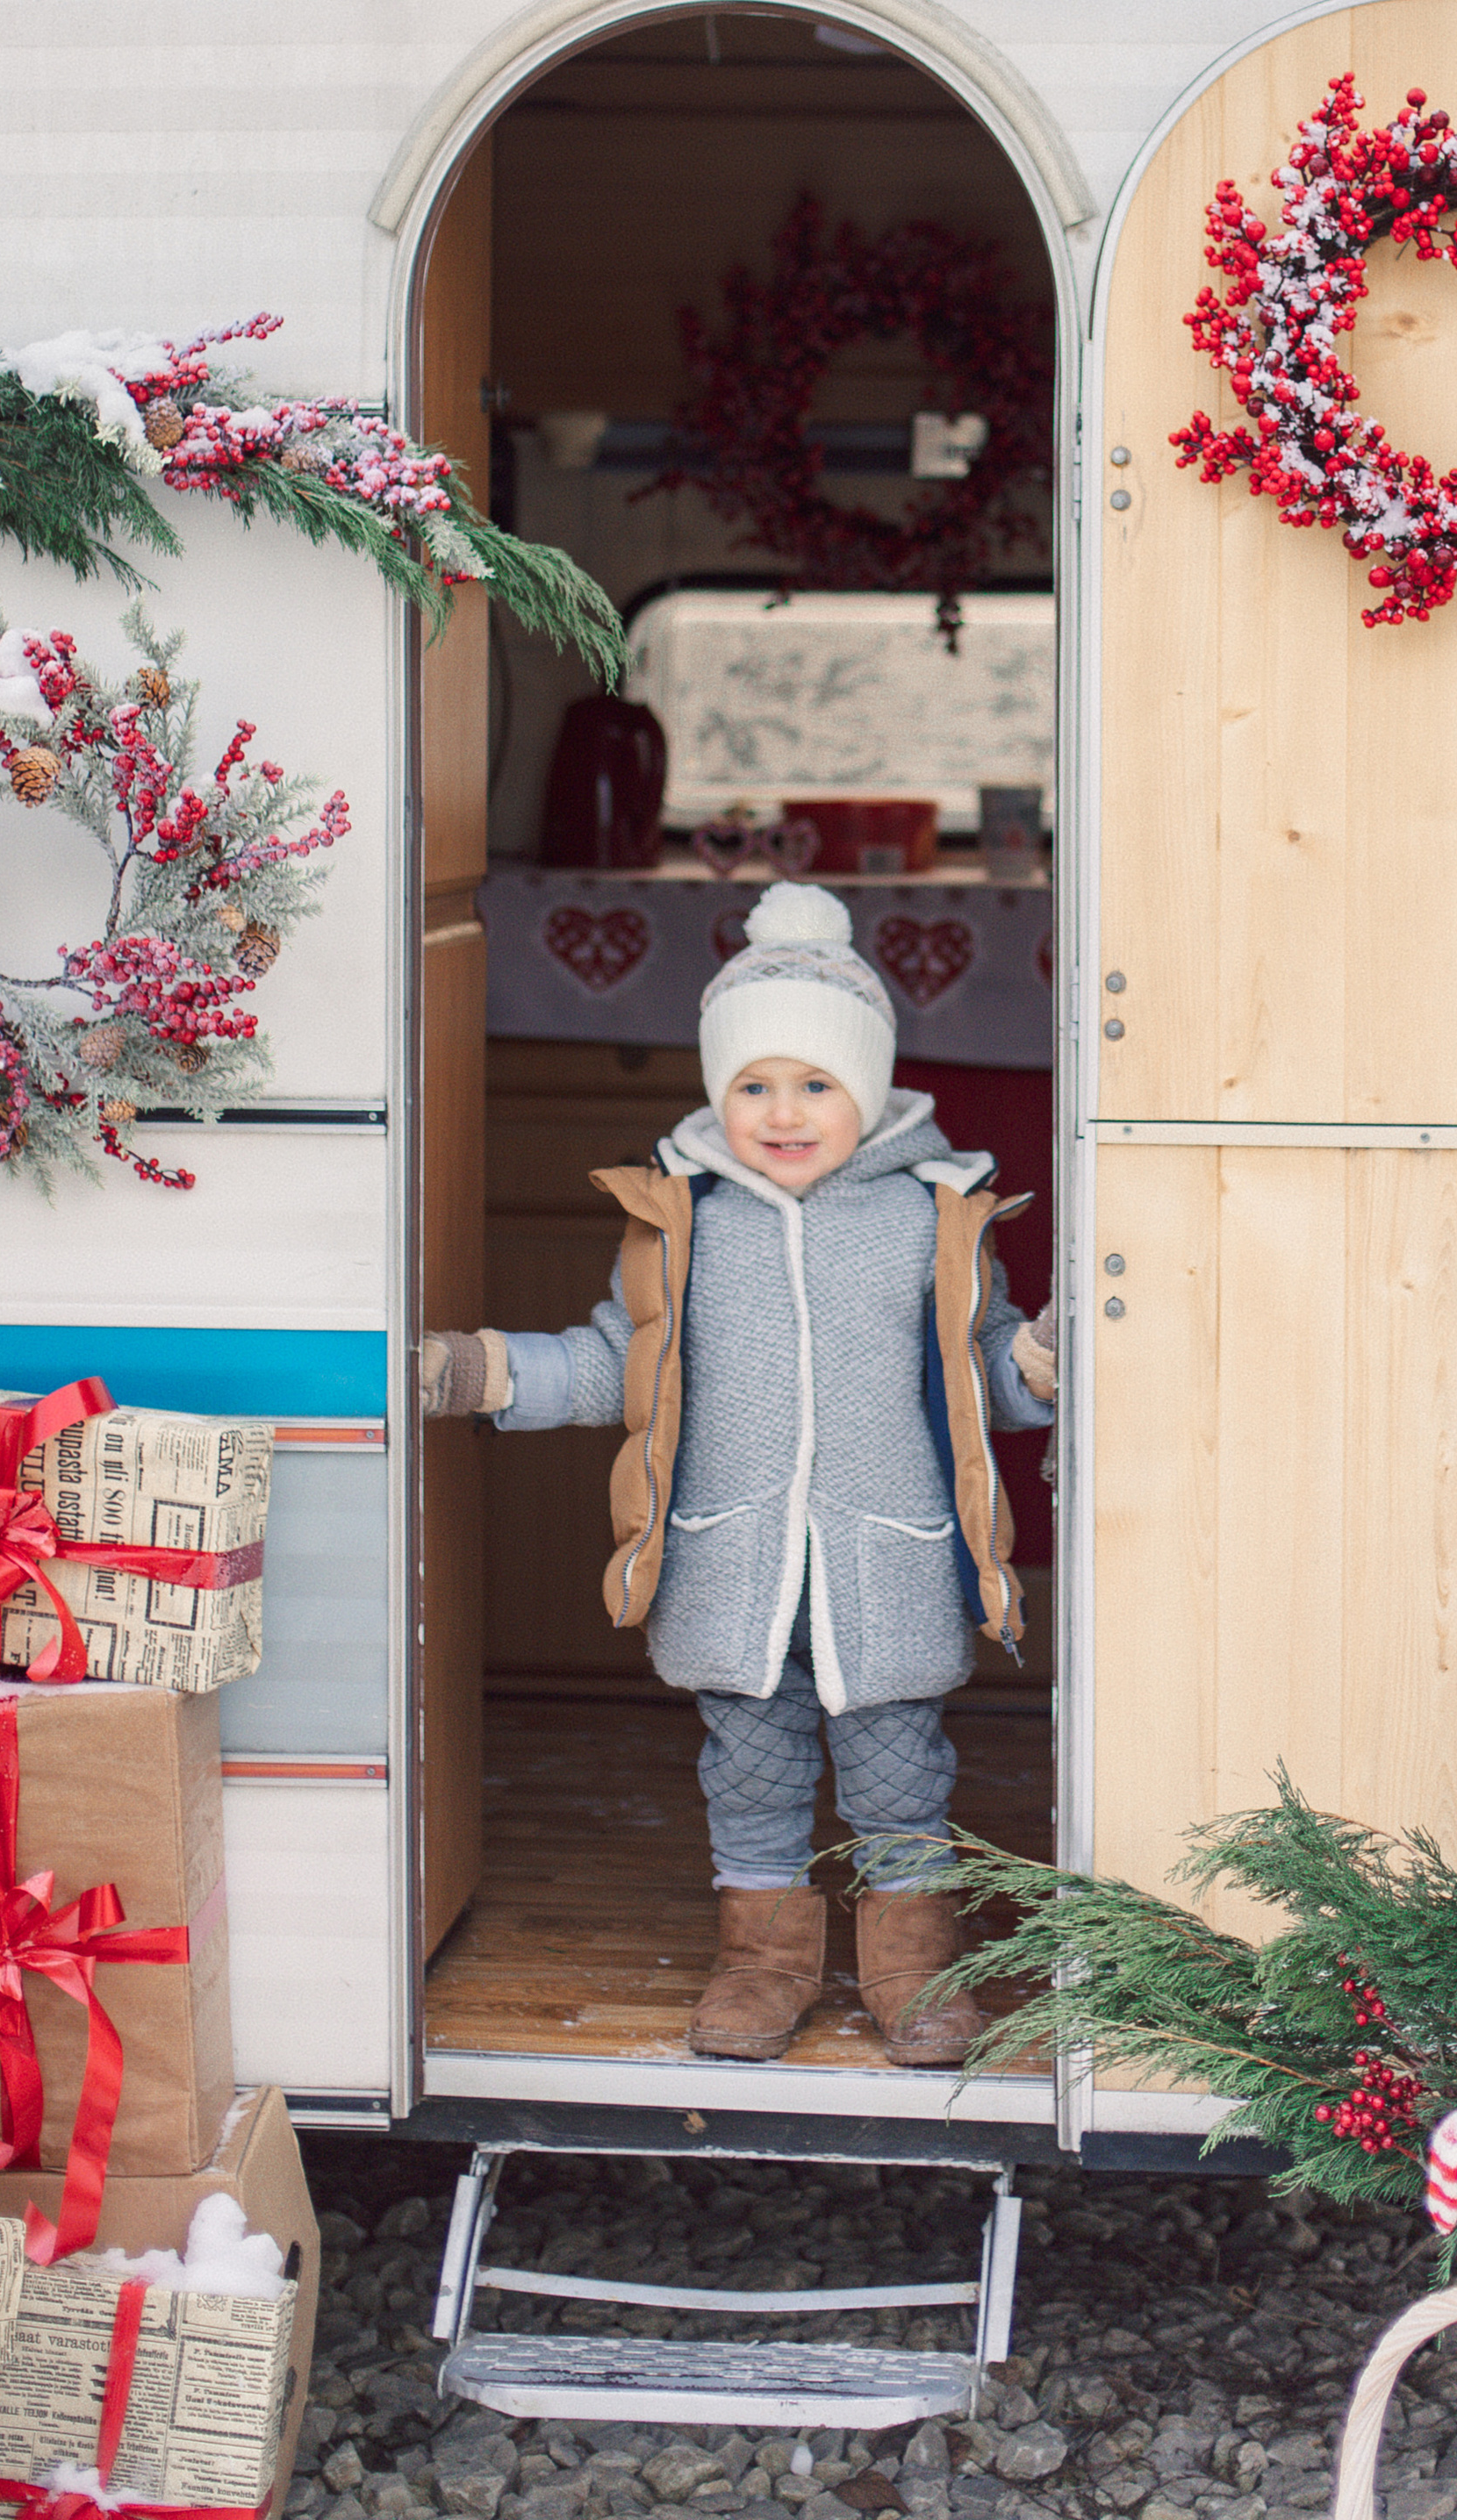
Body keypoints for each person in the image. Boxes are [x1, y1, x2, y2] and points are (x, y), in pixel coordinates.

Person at [421, 880, 1057, 2068]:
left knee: (900, 1779)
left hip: (888, 1565)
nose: (783, 1111)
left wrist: (1043, 1358)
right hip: (736, 1562)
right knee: (751, 1778)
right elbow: (624, 1366)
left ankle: (914, 1967)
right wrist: (490, 1373)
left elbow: (986, 1387)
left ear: (866, 1089)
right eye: (753, 1084)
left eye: (816, 1084)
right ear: (717, 1089)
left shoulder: (931, 1216)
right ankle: (762, 1963)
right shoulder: (687, 1216)